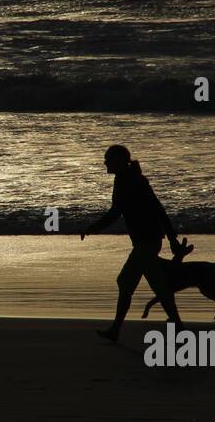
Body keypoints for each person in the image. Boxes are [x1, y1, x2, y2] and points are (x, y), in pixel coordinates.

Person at [80, 145, 189, 341]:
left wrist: (92, 228)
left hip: (147, 241)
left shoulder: (132, 180)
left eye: (108, 159)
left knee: (128, 281)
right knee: (157, 284)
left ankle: (116, 330)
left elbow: (144, 210)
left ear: (118, 161)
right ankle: (177, 326)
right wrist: (171, 239)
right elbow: (152, 209)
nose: (105, 162)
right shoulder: (126, 179)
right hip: (146, 241)